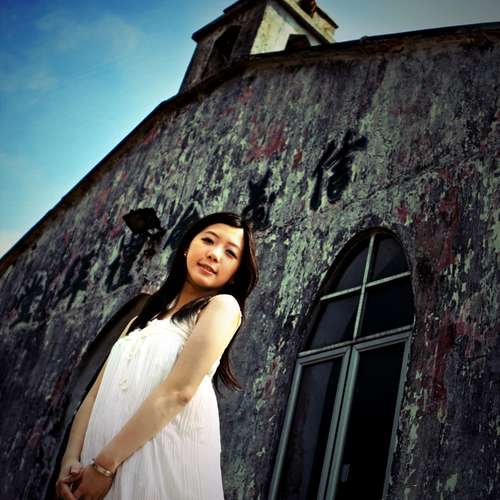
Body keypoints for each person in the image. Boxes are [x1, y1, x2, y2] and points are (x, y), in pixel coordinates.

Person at [55, 211, 258, 499]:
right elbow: (93, 397)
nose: (214, 254)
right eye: (208, 240)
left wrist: (104, 467)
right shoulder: (139, 321)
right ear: (187, 247)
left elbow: (178, 392)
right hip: (96, 467)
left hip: (158, 465)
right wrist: (70, 460)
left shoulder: (222, 307)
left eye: (230, 252)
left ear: (236, 272)